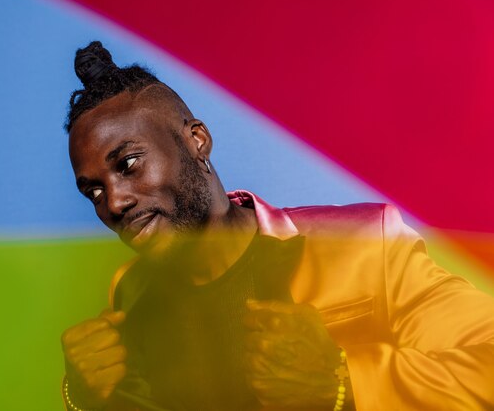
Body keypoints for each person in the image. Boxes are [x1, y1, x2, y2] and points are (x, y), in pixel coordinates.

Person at [60, 41, 494, 411]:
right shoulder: (130, 293)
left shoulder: (362, 242)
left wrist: (342, 383)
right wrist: (82, 397)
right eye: (93, 191)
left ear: (196, 140)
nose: (115, 202)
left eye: (129, 164)